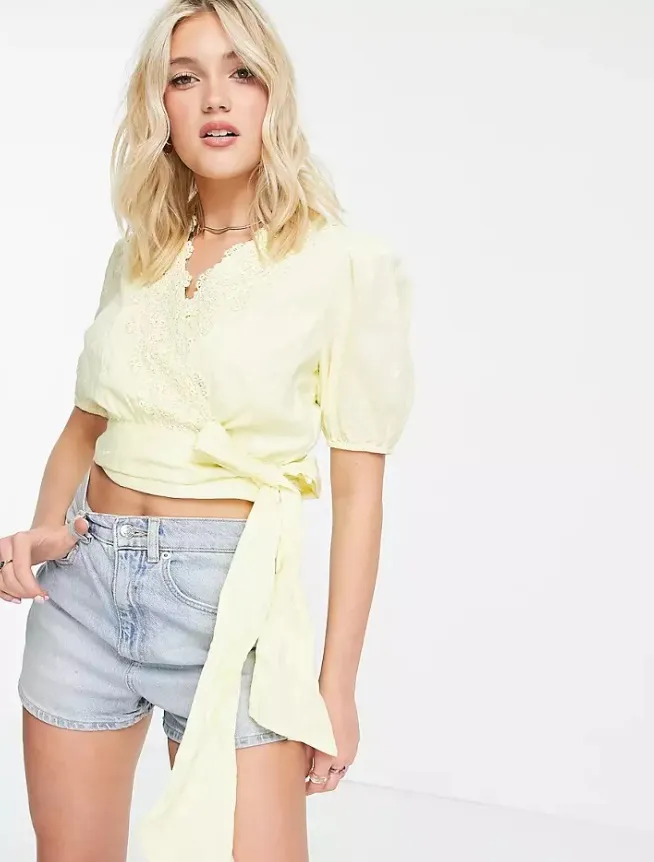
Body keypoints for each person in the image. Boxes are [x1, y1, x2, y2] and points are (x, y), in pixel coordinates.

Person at [1, 1, 413, 860]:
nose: (215, 98)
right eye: (185, 78)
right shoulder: (139, 253)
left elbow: (358, 491)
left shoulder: (342, 263)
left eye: (241, 73)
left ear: (273, 96)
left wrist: (336, 685)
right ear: (160, 106)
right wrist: (44, 530)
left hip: (231, 599)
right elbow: (85, 424)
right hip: (83, 588)